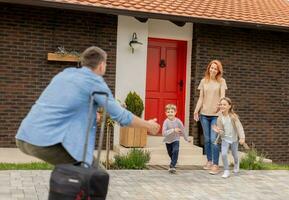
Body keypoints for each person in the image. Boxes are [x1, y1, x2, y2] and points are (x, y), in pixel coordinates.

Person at [15, 46, 160, 166]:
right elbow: (122, 116)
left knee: (76, 180)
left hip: (24, 136)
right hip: (46, 141)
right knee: (95, 177)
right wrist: (148, 125)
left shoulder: (65, 74)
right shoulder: (95, 82)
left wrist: (88, 115)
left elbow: (63, 105)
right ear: (101, 65)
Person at [193, 60, 227, 174]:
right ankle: (209, 161)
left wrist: (220, 107)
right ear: (209, 68)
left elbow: (222, 97)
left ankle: (216, 165)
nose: (213, 70)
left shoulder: (221, 81)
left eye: (215, 69)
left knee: (214, 140)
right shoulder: (204, 81)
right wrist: (196, 111)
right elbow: (201, 98)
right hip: (204, 115)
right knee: (207, 140)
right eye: (211, 68)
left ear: (218, 71)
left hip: (216, 116)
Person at [212, 97, 245, 178]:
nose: (222, 106)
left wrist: (242, 137)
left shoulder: (233, 117)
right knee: (223, 154)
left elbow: (239, 127)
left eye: (224, 104)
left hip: (234, 139)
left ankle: (236, 164)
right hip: (225, 139)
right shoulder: (219, 118)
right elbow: (222, 131)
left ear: (229, 106)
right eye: (221, 105)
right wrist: (219, 131)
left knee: (234, 154)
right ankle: (226, 170)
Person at [162, 104, 191, 173]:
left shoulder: (178, 121)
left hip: (176, 139)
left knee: (175, 150)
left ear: (175, 112)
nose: (170, 113)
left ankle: (172, 166)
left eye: (172, 112)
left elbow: (183, 130)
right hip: (168, 140)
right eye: (168, 112)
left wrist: (186, 139)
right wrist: (173, 130)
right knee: (170, 153)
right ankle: (174, 161)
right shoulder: (166, 122)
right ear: (166, 113)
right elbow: (163, 133)